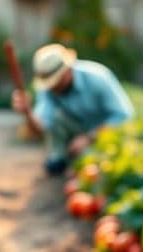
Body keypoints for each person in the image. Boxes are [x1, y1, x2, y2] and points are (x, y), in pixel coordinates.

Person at [11, 43, 134, 175]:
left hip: (104, 133)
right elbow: (41, 128)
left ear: (67, 70)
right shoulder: (49, 90)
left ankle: (84, 162)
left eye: (56, 81)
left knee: (98, 163)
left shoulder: (97, 78)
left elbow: (124, 116)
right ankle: (59, 158)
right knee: (57, 117)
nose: (53, 87)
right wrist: (27, 113)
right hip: (78, 128)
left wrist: (89, 138)